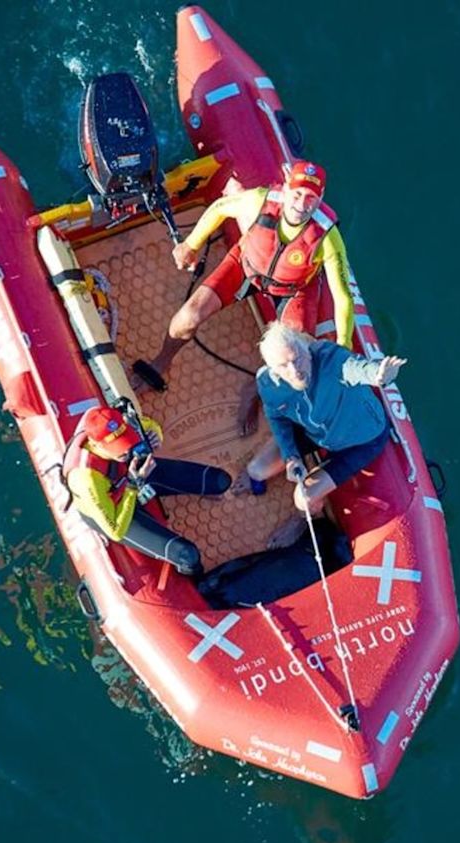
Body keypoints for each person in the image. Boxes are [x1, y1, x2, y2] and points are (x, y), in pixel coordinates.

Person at [132, 160, 362, 398]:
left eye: (310, 198)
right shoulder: (260, 200)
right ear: (286, 189)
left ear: (321, 197)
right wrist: (191, 244)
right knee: (187, 317)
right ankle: (161, 361)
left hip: (295, 289)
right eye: (297, 194)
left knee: (298, 356)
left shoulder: (327, 237)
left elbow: (342, 296)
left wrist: (344, 345)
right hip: (246, 266)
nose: (302, 204)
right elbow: (221, 207)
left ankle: (257, 389)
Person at [247, 322, 406, 515]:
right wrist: (291, 456)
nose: (295, 371)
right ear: (273, 370)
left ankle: (311, 516)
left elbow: (356, 368)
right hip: (313, 432)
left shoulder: (332, 359)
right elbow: (277, 418)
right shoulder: (267, 383)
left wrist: (379, 376)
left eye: (297, 359)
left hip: (361, 440)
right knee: (256, 470)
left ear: (306, 350)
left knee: (304, 499)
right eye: (283, 366)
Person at [62, 400, 231, 576]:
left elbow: (150, 425)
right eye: (118, 448)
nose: (127, 450)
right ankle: (196, 580)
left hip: (132, 474)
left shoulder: (122, 423)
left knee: (220, 480)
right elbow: (115, 531)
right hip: (116, 507)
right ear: (96, 445)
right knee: (188, 555)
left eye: (126, 440)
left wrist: (156, 435)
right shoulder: (85, 479)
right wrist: (132, 486)